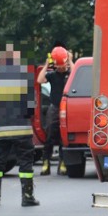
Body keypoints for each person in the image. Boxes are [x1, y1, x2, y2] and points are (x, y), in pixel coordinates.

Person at [0, 45, 39, 207]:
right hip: (21, 128)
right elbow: (30, 107)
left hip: (0, 129)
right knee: (25, 161)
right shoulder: (23, 78)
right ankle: (27, 197)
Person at [37, 46, 74, 176]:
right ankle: (45, 163)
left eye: (62, 66)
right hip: (54, 108)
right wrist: (46, 65)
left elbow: (75, 73)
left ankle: (62, 163)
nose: (60, 68)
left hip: (66, 109)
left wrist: (69, 61)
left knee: (64, 138)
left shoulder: (70, 74)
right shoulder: (52, 75)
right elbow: (40, 80)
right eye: (58, 66)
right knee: (50, 137)